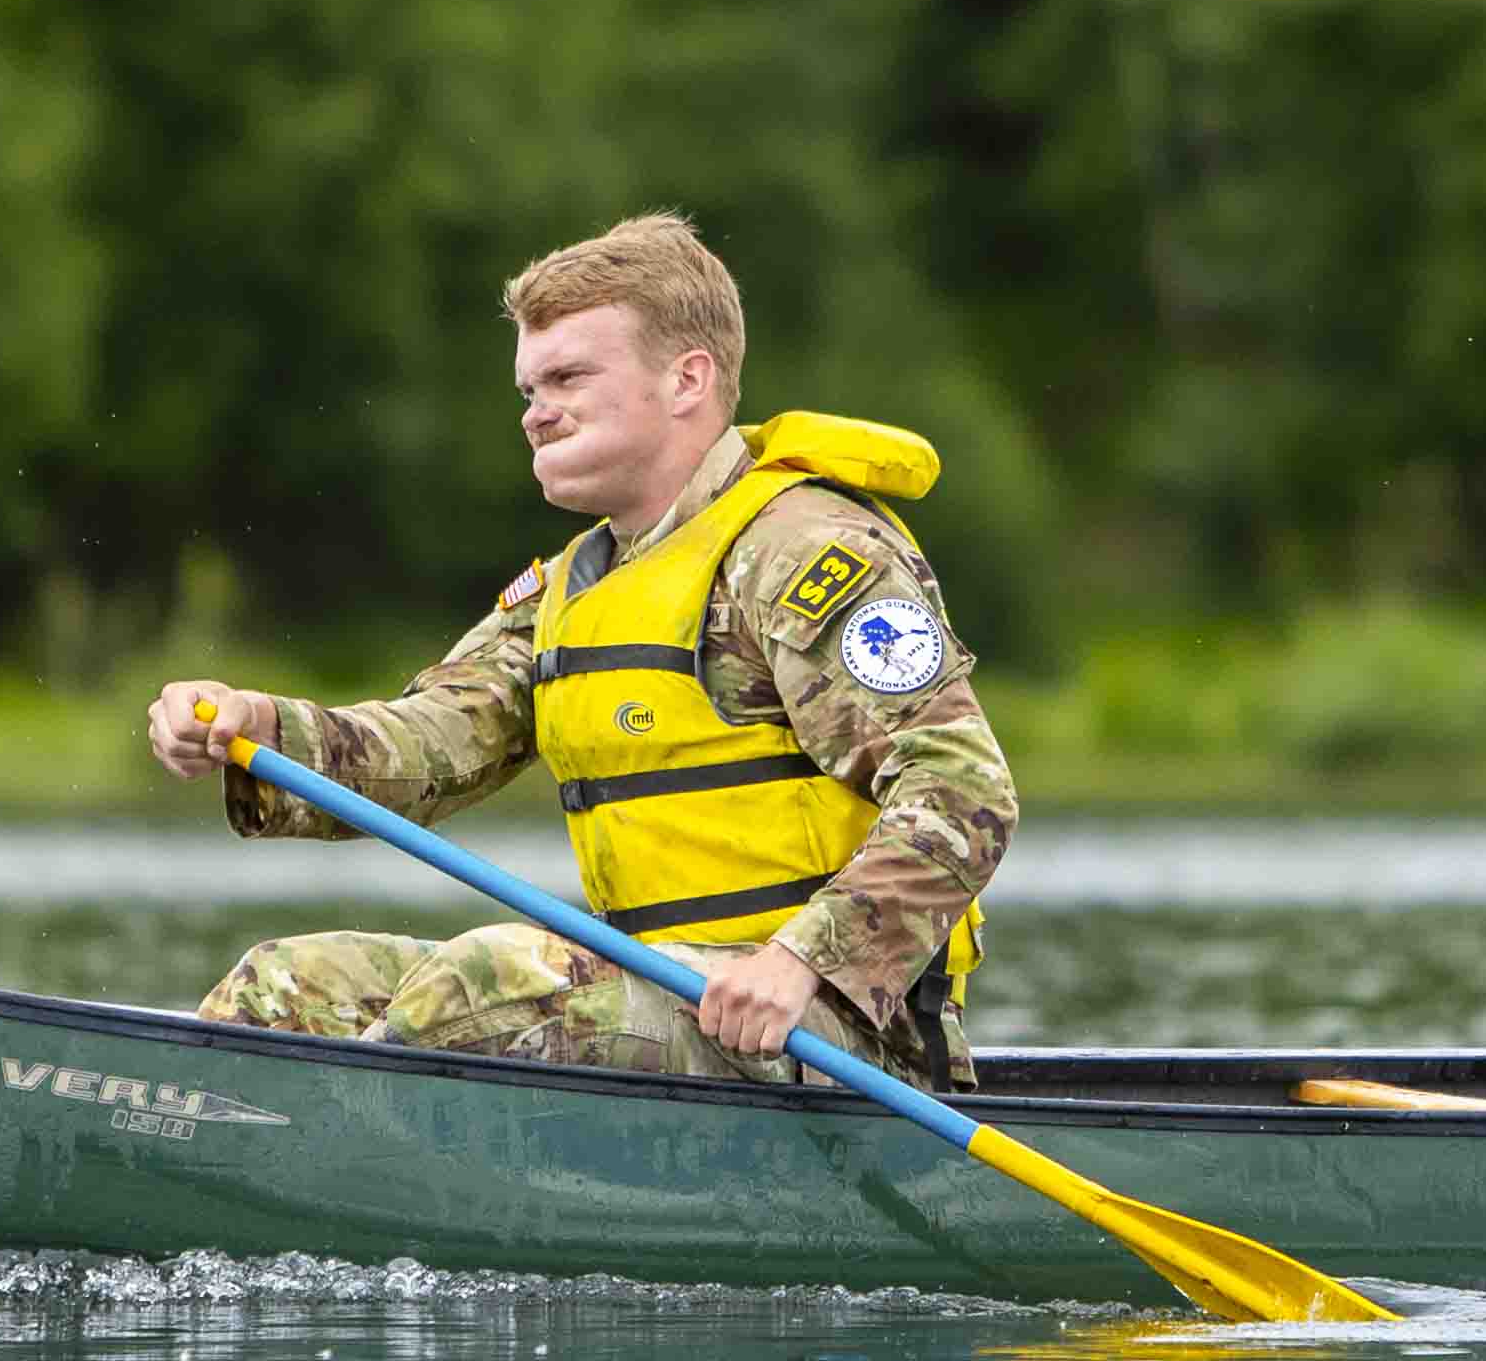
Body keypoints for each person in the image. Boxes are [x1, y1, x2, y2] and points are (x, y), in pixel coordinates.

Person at [140, 213, 1014, 1085]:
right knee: (286, 984)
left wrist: (803, 962)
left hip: (838, 1032)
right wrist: (254, 725)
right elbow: (427, 747)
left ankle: (360, 1175)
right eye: (528, 390)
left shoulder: (807, 555)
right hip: (658, 1003)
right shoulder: (572, 587)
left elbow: (964, 786)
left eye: (567, 379)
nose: (536, 415)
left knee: (490, 981)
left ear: (686, 380)